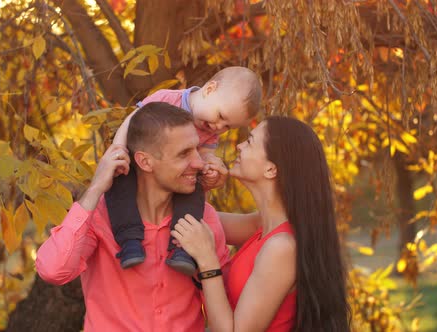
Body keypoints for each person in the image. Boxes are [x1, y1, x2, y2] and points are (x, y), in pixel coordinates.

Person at [35, 102, 230, 331]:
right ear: (145, 161)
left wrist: (207, 260)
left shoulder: (203, 218)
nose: (199, 162)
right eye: (184, 154)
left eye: (197, 149)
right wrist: (96, 187)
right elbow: (53, 271)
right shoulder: (99, 217)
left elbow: (223, 319)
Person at [172, 117, 351, 331]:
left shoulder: (281, 247)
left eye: (249, 141)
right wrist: (204, 184)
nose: (238, 145)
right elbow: (193, 220)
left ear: (271, 170)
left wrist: (207, 261)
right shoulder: (262, 225)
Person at [107, 66, 262, 275]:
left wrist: (210, 166)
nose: (218, 127)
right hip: (136, 165)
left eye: (227, 126)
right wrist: (118, 151)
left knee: (193, 194)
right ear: (209, 90)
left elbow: (205, 155)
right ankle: (129, 242)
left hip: (173, 180)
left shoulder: (210, 131)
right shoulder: (167, 99)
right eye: (220, 116)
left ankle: (181, 248)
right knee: (119, 188)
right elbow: (131, 122)